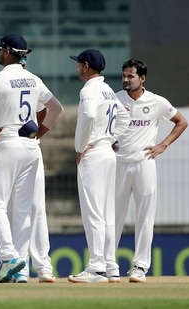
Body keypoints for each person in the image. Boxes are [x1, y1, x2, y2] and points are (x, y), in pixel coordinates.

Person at [0, 34, 63, 283]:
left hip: (7, 142)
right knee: (24, 209)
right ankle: (22, 270)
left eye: (0, 49)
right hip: (30, 145)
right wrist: (40, 133)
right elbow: (57, 108)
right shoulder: (34, 79)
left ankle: (10, 257)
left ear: (7, 52)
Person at [114, 58, 188, 283]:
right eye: (124, 75)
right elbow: (101, 125)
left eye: (131, 76)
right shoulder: (116, 99)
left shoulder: (156, 101)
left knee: (145, 217)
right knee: (113, 216)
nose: (126, 80)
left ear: (142, 78)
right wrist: (108, 141)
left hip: (145, 162)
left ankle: (139, 267)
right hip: (118, 164)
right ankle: (107, 264)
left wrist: (162, 145)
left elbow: (181, 122)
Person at [68, 49, 130, 283]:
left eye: (78, 64)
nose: (76, 68)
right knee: (106, 212)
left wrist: (80, 147)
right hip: (107, 152)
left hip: (93, 153)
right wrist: (111, 138)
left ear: (86, 66)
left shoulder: (89, 90)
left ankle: (96, 268)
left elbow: (89, 117)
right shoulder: (108, 90)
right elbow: (124, 117)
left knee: (93, 212)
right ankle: (111, 265)